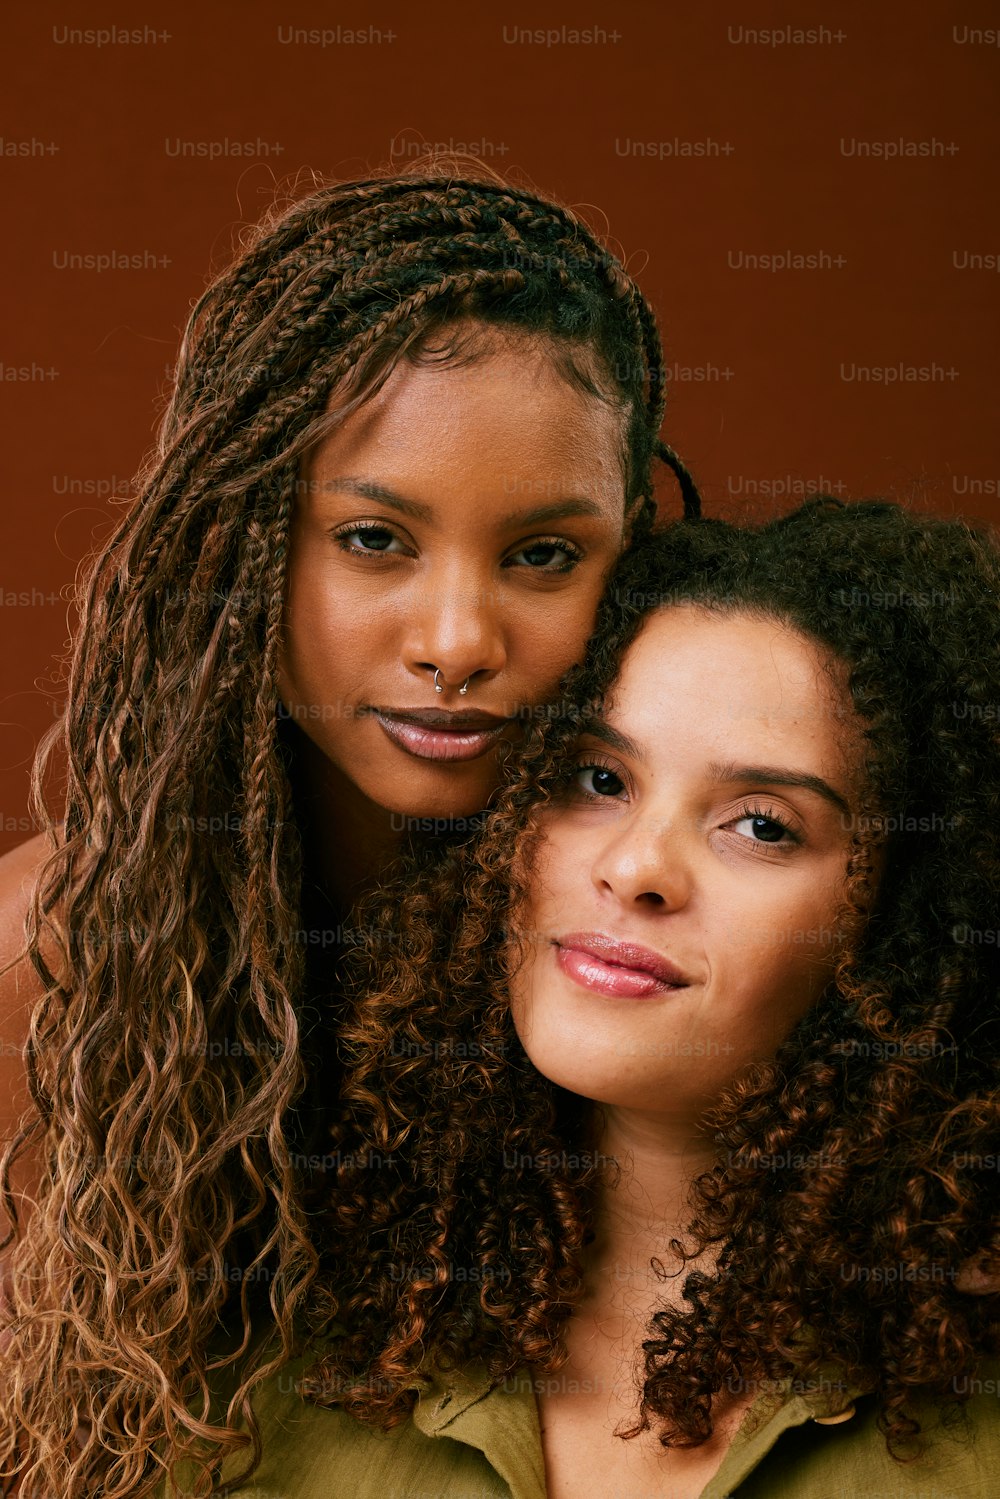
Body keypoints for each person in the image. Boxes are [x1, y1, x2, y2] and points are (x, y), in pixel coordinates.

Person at [0, 162, 698, 1493]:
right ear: (243, 540)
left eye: (544, 554)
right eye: (375, 538)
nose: (456, 641)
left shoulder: (662, 954)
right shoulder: (46, 977)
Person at [148, 498, 997, 1497]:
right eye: (597, 776)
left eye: (762, 825)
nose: (637, 865)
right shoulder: (243, 1362)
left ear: (905, 920)